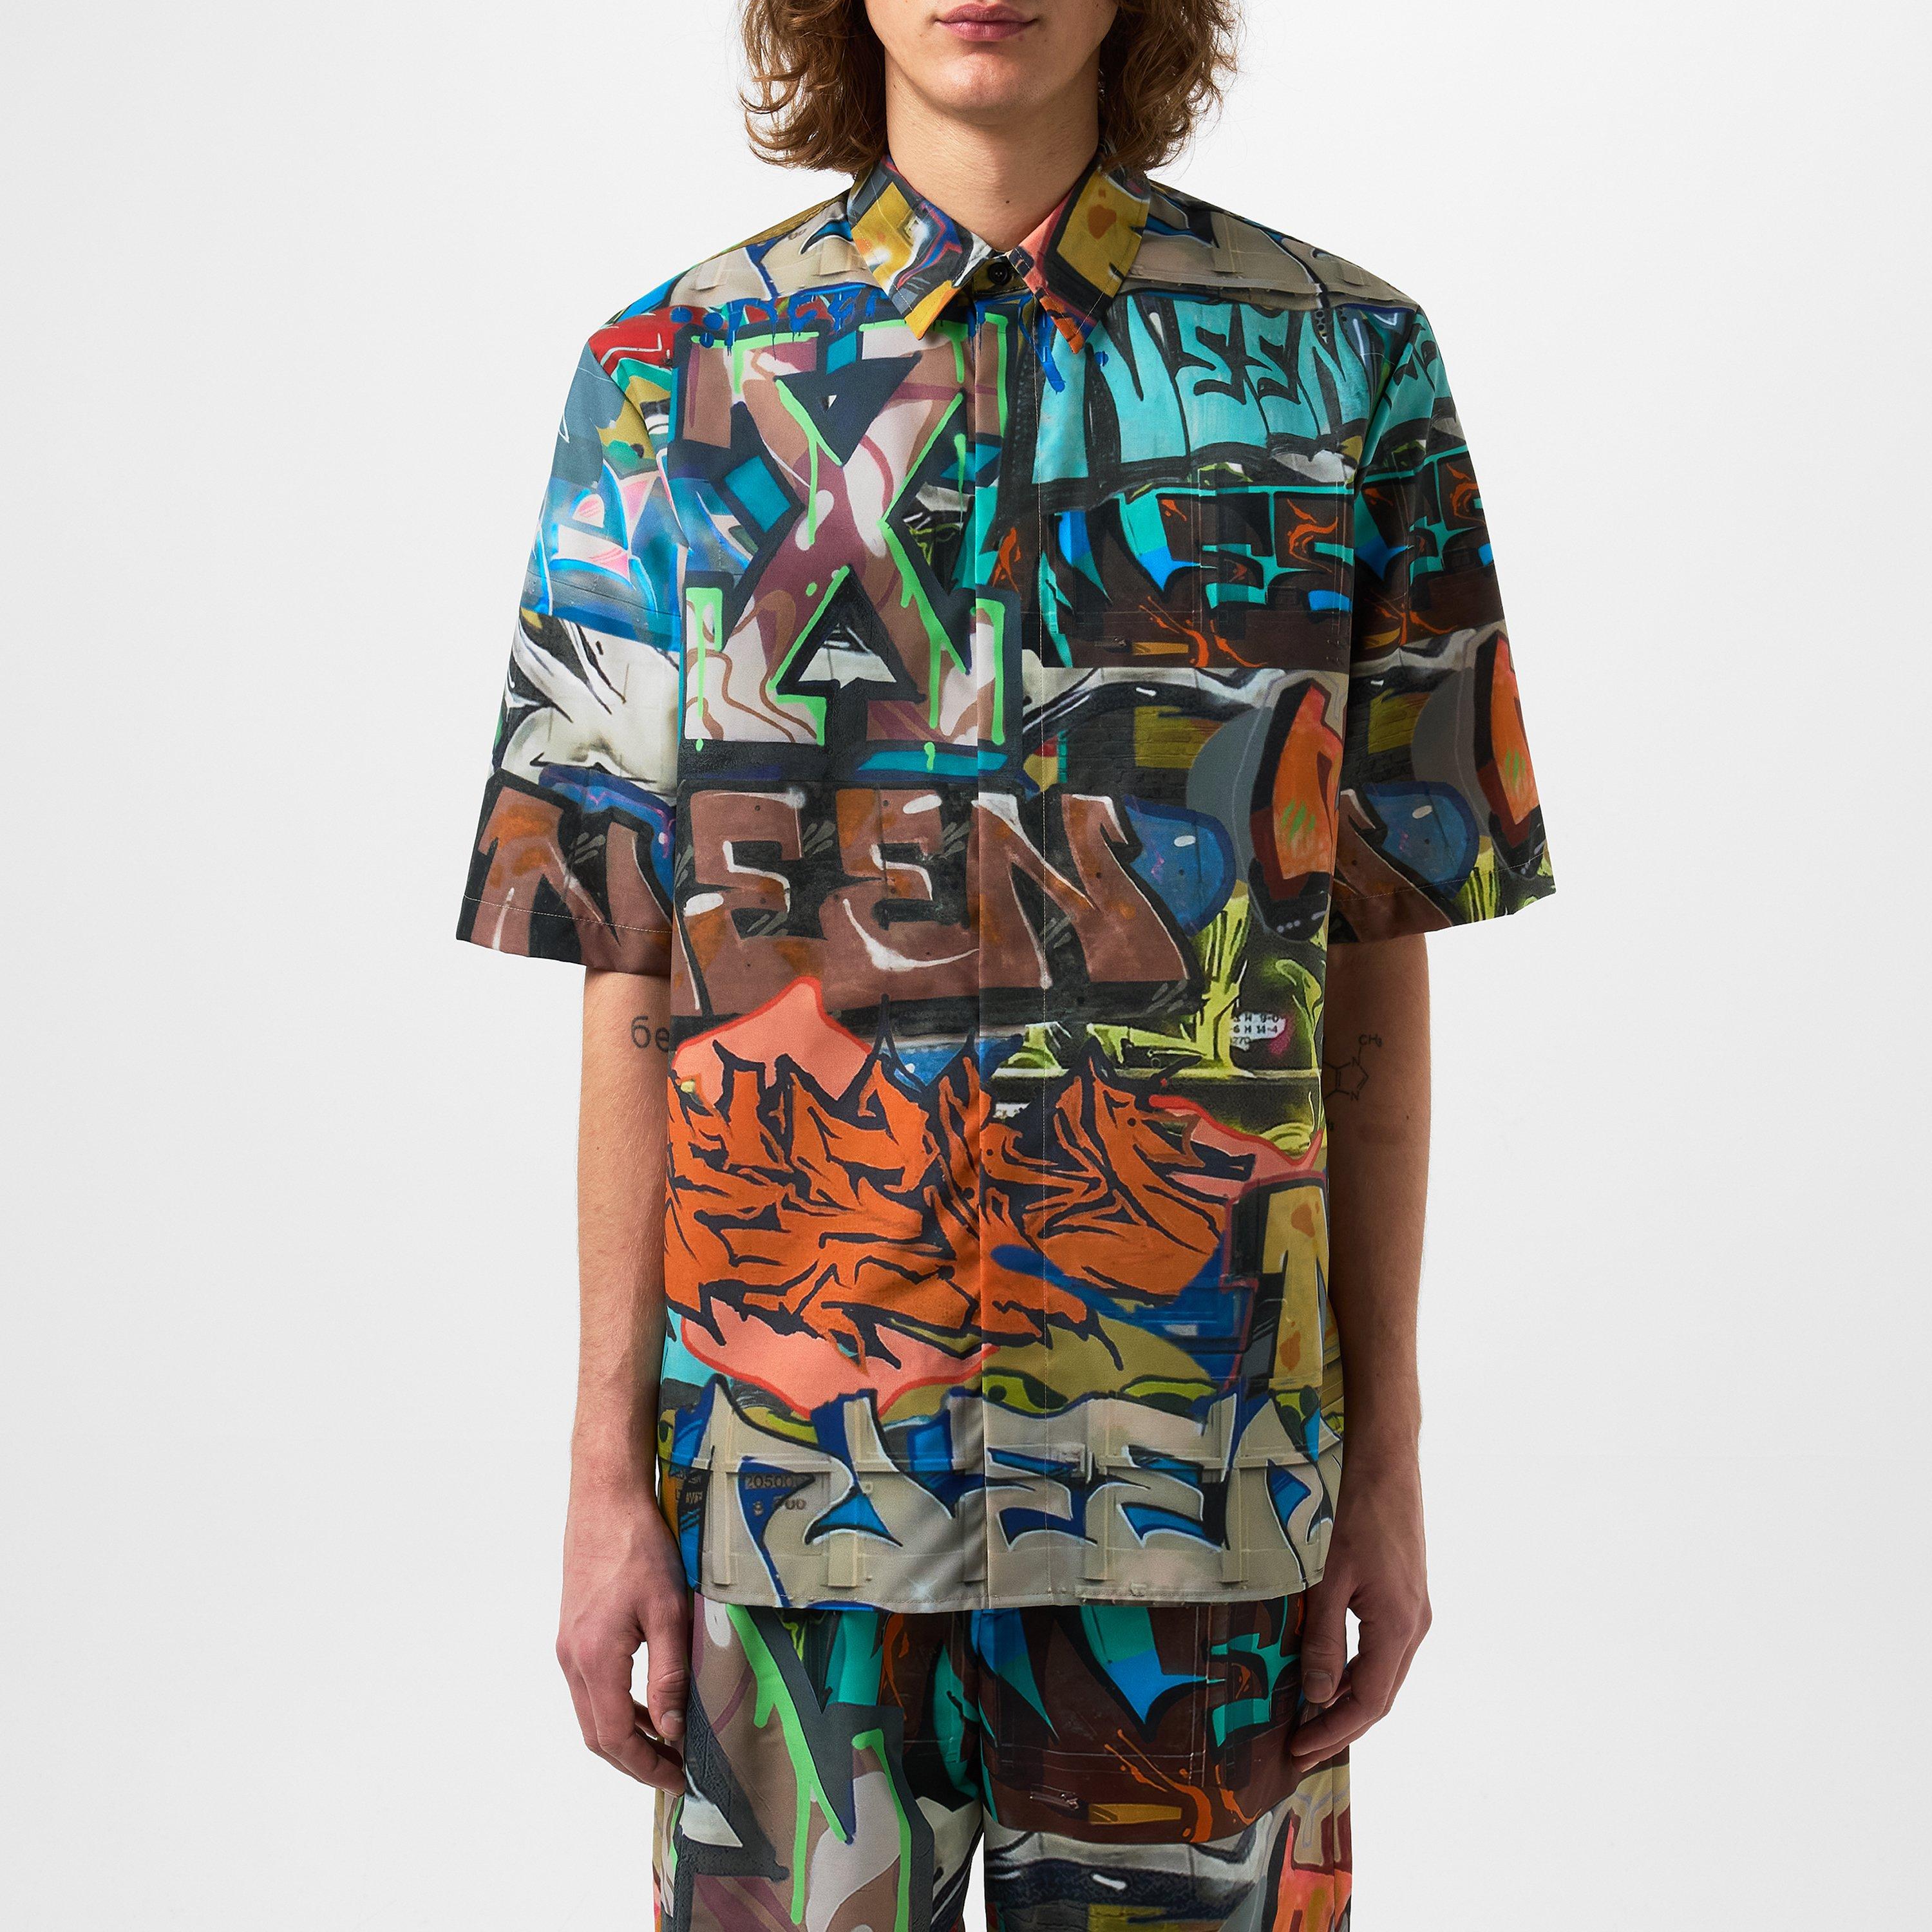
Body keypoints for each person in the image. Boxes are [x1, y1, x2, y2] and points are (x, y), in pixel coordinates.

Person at [455, 2, 1553, 1924]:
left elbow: (1373, 956)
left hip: (1204, 1508)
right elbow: (627, 971)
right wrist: (603, 1474)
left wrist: (1385, 1460)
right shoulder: (668, 381)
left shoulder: (1345, 371)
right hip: (787, 1519)